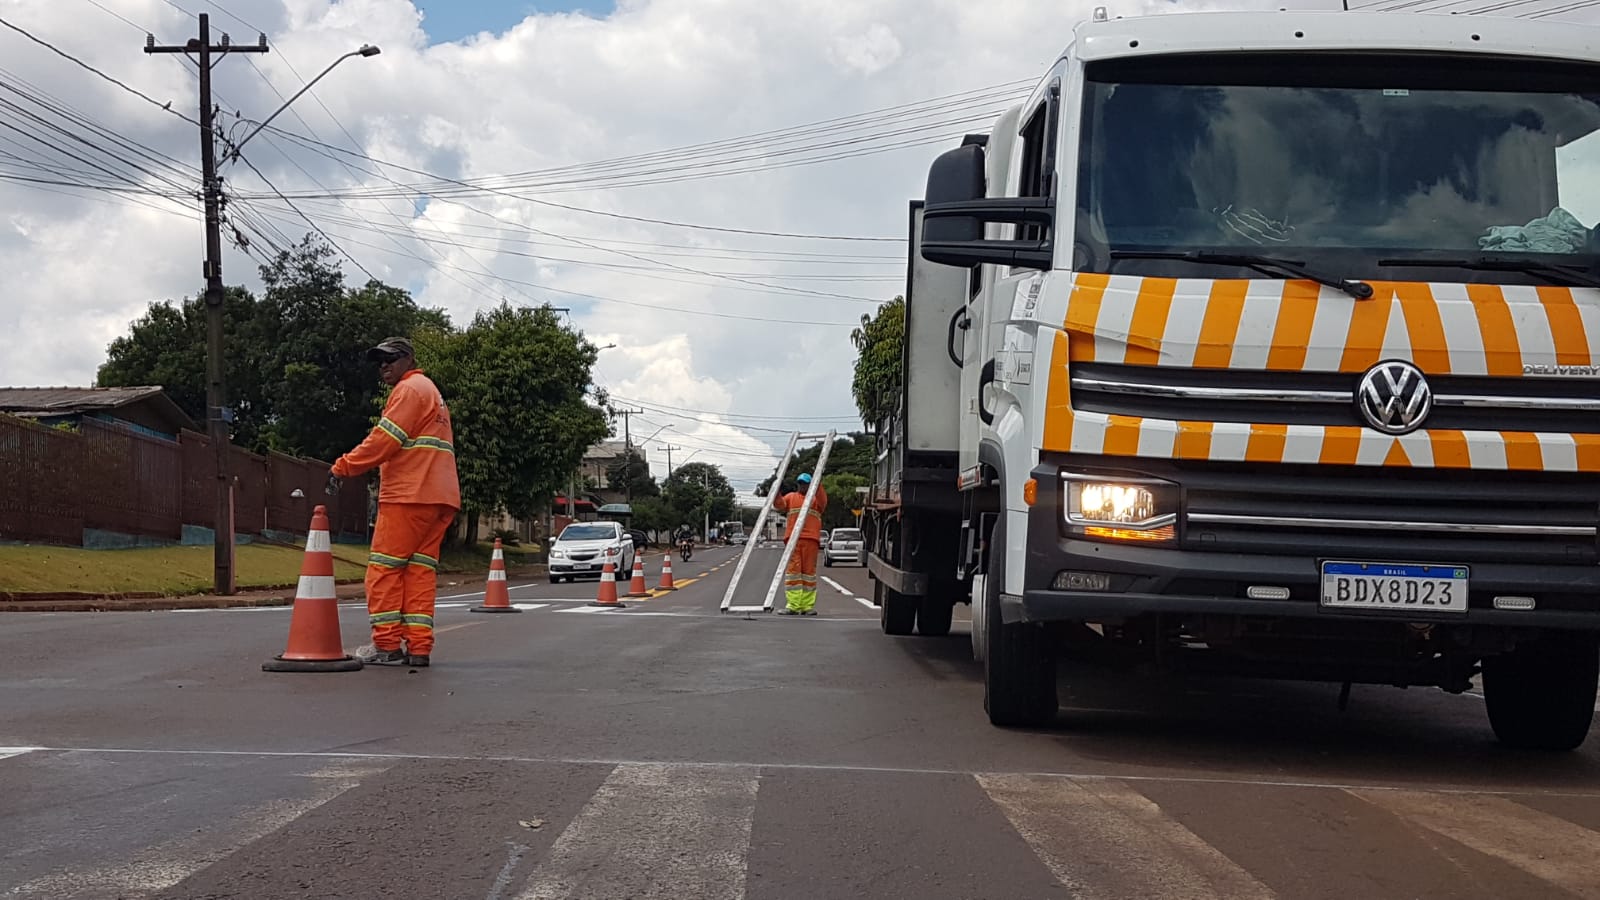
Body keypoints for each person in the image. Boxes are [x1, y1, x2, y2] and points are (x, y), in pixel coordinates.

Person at [330, 337, 460, 668]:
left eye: (391, 359)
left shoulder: (409, 389)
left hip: (409, 495)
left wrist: (343, 466)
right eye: (379, 361)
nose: (384, 366)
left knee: (384, 571)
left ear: (409, 360)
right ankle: (419, 648)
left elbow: (384, 440)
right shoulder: (430, 391)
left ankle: (386, 646)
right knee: (418, 573)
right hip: (438, 497)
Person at [771, 472, 827, 616]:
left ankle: (807, 606)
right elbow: (779, 505)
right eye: (800, 483)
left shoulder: (815, 500)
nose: (802, 486)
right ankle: (794, 606)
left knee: (808, 574)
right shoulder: (791, 497)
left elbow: (823, 501)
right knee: (793, 574)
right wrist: (776, 490)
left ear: (810, 485)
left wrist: (818, 482)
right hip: (793, 540)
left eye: (805, 483)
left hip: (810, 540)